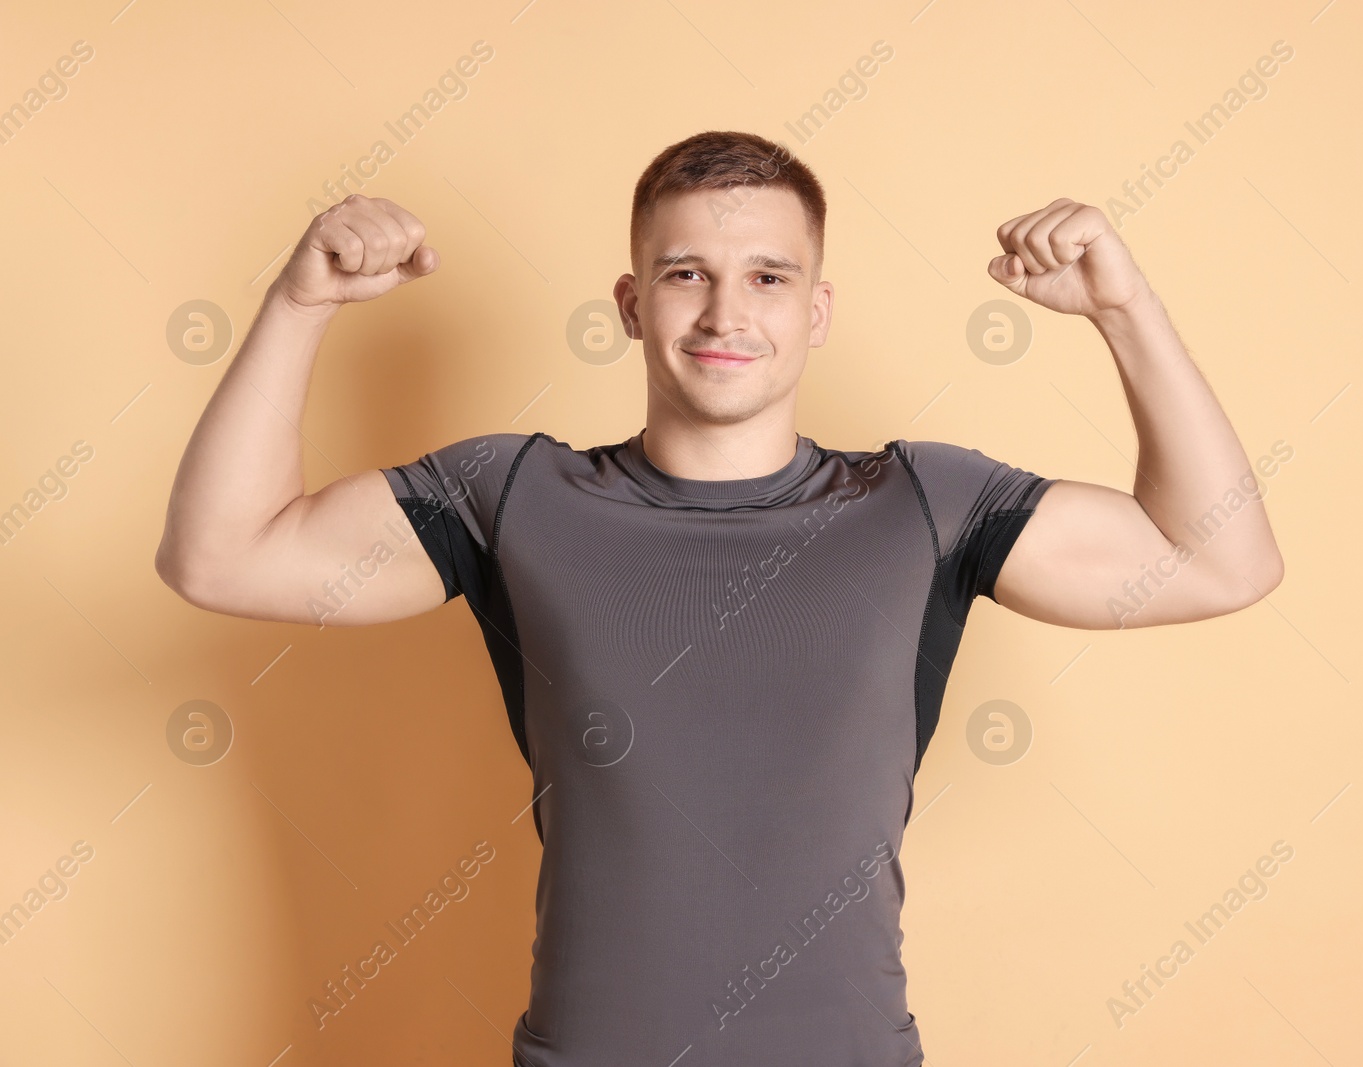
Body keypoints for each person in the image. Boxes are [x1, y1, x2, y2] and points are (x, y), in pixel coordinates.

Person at [155, 129, 1283, 1066]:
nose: (723, 313)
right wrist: (300, 302)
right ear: (631, 302)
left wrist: (1122, 309)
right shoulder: (512, 497)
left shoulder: (925, 504)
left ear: (817, 309)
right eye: (686, 272)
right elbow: (222, 555)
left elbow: (1216, 560)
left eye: (767, 277)